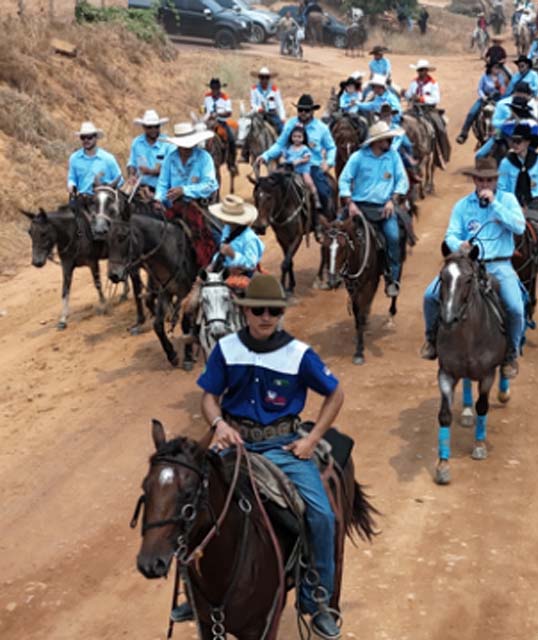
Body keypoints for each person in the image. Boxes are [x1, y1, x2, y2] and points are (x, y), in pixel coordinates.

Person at [197, 272, 344, 640]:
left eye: (274, 311)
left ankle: (317, 602)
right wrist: (217, 424)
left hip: (282, 448)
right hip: (233, 442)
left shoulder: (299, 354)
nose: (266, 317)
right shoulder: (226, 348)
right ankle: (193, 594)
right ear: (245, 312)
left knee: (323, 515)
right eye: (259, 310)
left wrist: (311, 440)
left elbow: (336, 394)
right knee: (189, 501)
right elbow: (209, 396)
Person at [420, 156, 526, 379]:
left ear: (496, 181)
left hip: (499, 264)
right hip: (468, 265)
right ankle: (431, 340)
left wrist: (495, 205)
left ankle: (511, 353)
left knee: (515, 308)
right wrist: (459, 245)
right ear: (475, 180)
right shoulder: (462, 205)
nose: (484, 185)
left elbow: (519, 227)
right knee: (430, 296)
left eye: (489, 181)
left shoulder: (507, 200)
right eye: (480, 180)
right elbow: (450, 234)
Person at [337, 121, 410, 297]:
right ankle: (336, 270)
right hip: (359, 207)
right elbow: (344, 179)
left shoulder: (393, 156)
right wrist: (350, 202)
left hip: (383, 209)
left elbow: (402, 180)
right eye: (387, 139)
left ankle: (392, 278)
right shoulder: (358, 157)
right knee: (335, 235)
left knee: (393, 237)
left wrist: (393, 200)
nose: (390, 141)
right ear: (377, 142)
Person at [258, 94, 336, 237]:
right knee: (267, 187)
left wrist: (328, 162)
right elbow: (280, 144)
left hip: (311, 165)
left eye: (306, 110)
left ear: (312, 111)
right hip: (289, 165)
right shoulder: (290, 124)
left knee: (324, 192)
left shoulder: (322, 128)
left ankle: (322, 222)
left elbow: (331, 148)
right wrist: (265, 155)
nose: (303, 113)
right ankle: (264, 220)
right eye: (300, 110)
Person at [497, 122, 538, 295]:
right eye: (513, 141)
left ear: (527, 142)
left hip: (535, 206)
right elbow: (501, 188)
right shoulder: (506, 163)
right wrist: (514, 205)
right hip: (512, 206)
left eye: (518, 141)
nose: (514, 145)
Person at [155, 122, 219, 267]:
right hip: (173, 206)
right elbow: (163, 183)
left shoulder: (204, 158)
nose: (185, 147)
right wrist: (158, 199)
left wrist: (184, 190)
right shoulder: (170, 159)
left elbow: (210, 185)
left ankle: (215, 268)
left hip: (199, 206)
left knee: (216, 236)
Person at [67, 121, 123, 199]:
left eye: (89, 137)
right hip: (83, 199)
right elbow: (72, 178)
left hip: (103, 199)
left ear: (96, 138)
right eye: (83, 137)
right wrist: (71, 185)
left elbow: (120, 180)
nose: (86, 140)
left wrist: (107, 187)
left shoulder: (108, 158)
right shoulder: (74, 158)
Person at [457, 63, 508, 145]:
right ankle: (464, 134)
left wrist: (501, 90)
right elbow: (480, 89)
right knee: (472, 112)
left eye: (499, 68)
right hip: (485, 98)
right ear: (491, 68)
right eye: (496, 67)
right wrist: (484, 97)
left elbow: (503, 90)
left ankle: (503, 134)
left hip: (497, 99)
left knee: (505, 114)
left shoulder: (500, 77)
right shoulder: (484, 77)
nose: (497, 69)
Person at [127, 111, 172, 196]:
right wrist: (131, 175)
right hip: (140, 187)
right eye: (149, 127)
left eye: (156, 127)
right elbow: (132, 163)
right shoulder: (137, 142)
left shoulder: (167, 143)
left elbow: (172, 169)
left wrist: (151, 172)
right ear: (144, 127)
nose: (153, 130)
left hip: (162, 189)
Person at [281, 124, 321, 210]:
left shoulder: (304, 148)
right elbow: (283, 156)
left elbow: (307, 158)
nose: (296, 139)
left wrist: (299, 161)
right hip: (290, 169)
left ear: (303, 138)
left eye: (299, 137)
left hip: (303, 169)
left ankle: (316, 197)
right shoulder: (289, 148)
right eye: (294, 136)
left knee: (308, 181)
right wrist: (283, 160)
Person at [202, 78, 238, 176]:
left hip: (221, 122)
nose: (214, 90)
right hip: (208, 122)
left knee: (231, 138)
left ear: (219, 88)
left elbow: (229, 112)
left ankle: (232, 163)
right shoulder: (207, 97)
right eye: (212, 88)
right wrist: (206, 116)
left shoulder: (225, 97)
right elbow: (205, 110)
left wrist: (218, 114)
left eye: (216, 88)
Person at [249, 67, 286, 134]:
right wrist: (258, 109)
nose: (264, 80)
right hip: (258, 114)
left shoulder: (274, 89)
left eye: (266, 77)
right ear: (259, 78)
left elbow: (279, 105)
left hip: (271, 114)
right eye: (262, 77)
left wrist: (282, 118)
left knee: (282, 130)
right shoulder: (254, 89)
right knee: (246, 127)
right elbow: (252, 103)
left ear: (269, 79)